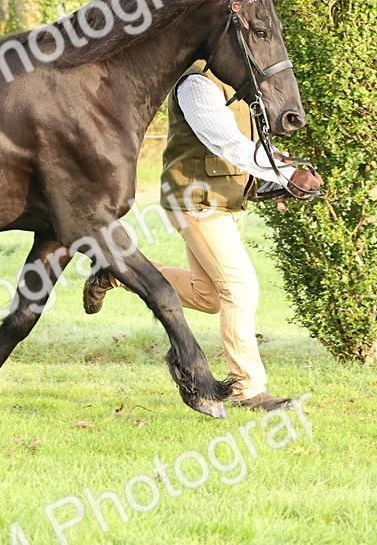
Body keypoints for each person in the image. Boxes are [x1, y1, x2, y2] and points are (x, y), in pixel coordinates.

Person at [84, 60, 322, 411]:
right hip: (196, 203)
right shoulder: (197, 83)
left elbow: (253, 143)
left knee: (208, 296)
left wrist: (279, 178)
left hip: (229, 203)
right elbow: (226, 142)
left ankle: (118, 272)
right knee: (240, 289)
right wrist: (284, 174)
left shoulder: (241, 83)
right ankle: (248, 389)